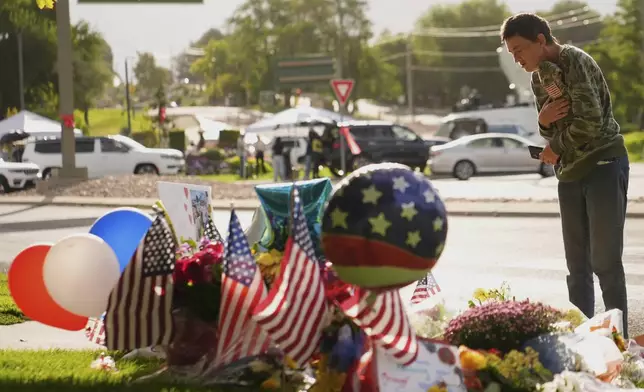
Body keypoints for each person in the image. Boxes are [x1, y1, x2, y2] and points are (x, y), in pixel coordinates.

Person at [501, 13, 630, 336]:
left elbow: (591, 122)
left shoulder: (575, 60)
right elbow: (552, 126)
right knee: (577, 269)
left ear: (541, 40)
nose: (516, 58)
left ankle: (620, 343)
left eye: (519, 49)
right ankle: (584, 343)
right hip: (569, 174)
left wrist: (556, 146)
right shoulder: (537, 78)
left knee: (605, 264)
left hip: (602, 165)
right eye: (511, 53)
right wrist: (545, 124)